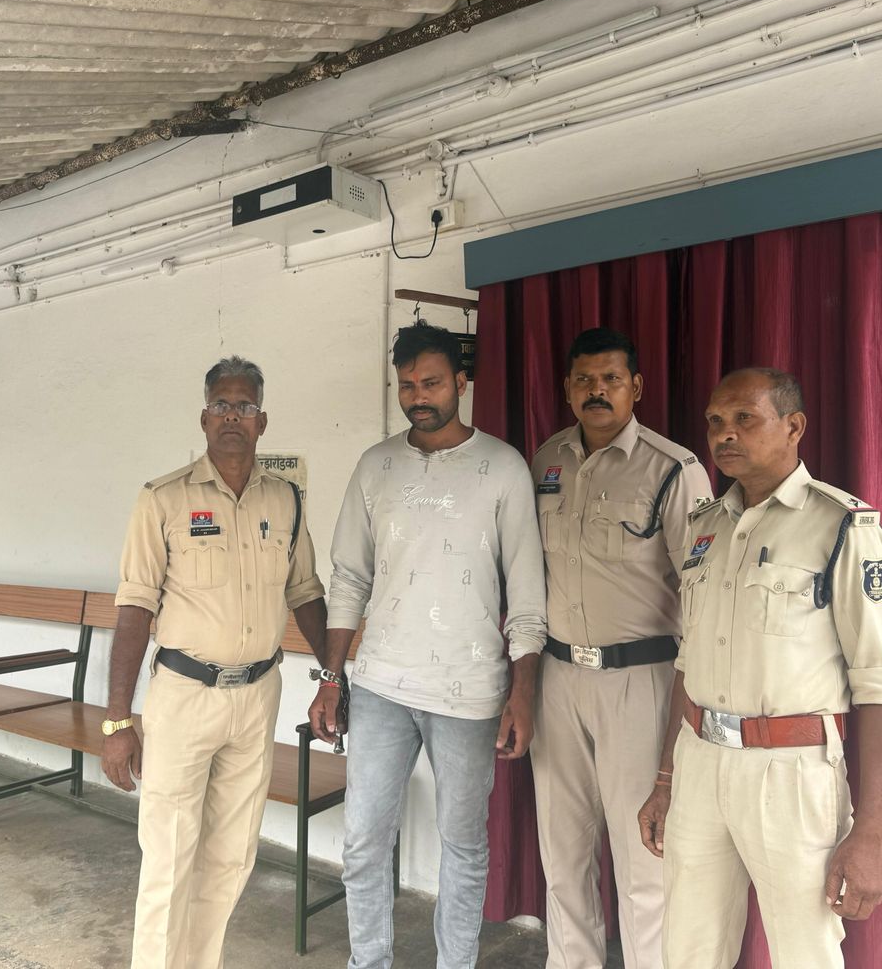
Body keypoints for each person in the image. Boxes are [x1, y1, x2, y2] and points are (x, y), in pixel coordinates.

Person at [308, 321, 547, 969]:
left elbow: (527, 596)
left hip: (469, 694)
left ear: (461, 383)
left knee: (462, 847)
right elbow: (349, 578)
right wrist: (331, 678)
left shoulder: (503, 467)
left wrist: (522, 694)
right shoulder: (375, 466)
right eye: (408, 384)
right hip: (380, 685)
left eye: (433, 383)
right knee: (363, 841)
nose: (419, 396)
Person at [637, 368, 882, 968]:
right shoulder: (705, 527)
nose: (725, 434)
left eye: (744, 419)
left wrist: (873, 829)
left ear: (794, 427)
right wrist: (666, 778)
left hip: (790, 773)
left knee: (804, 952)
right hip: (700, 762)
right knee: (689, 949)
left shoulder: (842, 525)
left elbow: (876, 682)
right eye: (715, 422)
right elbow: (688, 662)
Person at [101, 356, 327, 969]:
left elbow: (305, 592)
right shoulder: (163, 499)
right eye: (222, 405)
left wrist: (334, 674)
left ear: (262, 421)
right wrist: (118, 721)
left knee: (231, 858)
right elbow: (134, 610)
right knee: (169, 859)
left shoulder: (286, 500)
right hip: (184, 697)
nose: (233, 416)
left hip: (256, 699)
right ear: (203, 418)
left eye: (245, 406)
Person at [529, 327, 712, 969]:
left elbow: (700, 593)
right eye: (584, 380)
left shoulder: (674, 469)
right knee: (562, 855)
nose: (597, 391)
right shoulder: (546, 461)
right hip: (557, 678)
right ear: (567, 389)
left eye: (610, 379)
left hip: (642, 681)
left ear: (636, 386)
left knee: (644, 862)